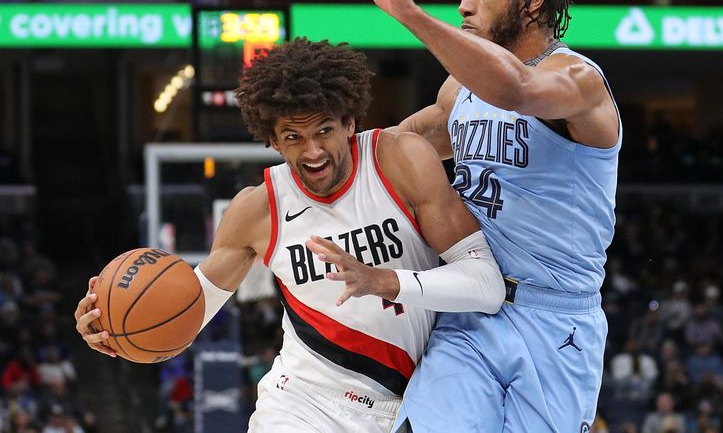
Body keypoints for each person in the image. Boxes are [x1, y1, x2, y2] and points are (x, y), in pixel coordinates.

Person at [74, 38, 506, 432]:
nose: (313, 150)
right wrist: (114, 331)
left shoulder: (400, 161)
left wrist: (383, 281)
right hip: (301, 404)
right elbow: (187, 311)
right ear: (274, 142)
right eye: (294, 137)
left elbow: (486, 286)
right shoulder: (258, 209)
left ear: (349, 121)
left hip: (412, 405)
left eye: (324, 131)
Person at [354, 0, 621, 431]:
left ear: (533, 0)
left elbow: (516, 90)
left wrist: (409, 14)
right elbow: (398, 148)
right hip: (469, 307)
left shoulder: (578, 81)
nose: (463, 5)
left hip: (555, 321)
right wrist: (315, 158)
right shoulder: (460, 90)